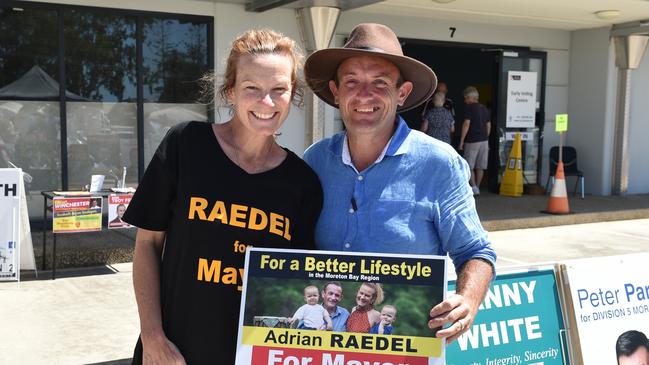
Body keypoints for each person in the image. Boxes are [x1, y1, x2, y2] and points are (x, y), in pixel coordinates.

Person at [122, 29, 323, 365]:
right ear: (230, 91)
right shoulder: (186, 145)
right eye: (252, 89)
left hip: (254, 356)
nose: (267, 103)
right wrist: (153, 338)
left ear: (293, 95)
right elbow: (147, 246)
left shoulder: (302, 182)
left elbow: (299, 281)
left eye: (279, 90)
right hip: (174, 353)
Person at [303, 23, 496, 344]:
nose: (364, 94)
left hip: (408, 348)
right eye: (352, 81)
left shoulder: (439, 163)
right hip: (325, 349)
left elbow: (475, 251)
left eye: (380, 82)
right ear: (336, 92)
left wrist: (468, 300)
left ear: (402, 93)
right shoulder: (315, 160)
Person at [458, 86, 491, 196]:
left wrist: (461, 141)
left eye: (465, 98)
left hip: (472, 140)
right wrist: (486, 137)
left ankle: (474, 187)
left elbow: (466, 124)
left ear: (469, 97)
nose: (465, 101)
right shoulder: (484, 108)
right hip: (484, 140)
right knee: (480, 166)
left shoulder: (470, 108)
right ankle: (478, 186)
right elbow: (488, 125)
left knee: (469, 165)